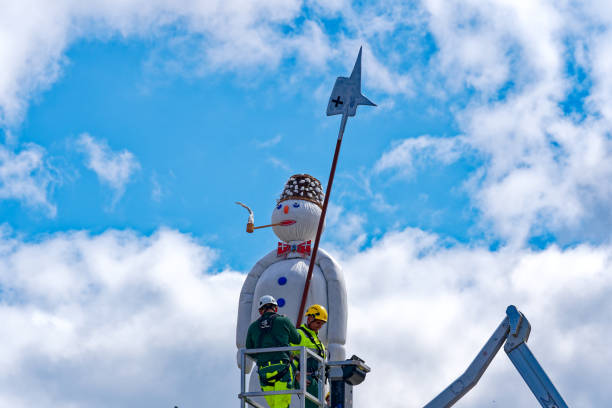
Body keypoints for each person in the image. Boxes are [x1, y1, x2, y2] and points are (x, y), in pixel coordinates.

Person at [246, 295, 301, 408]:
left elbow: (249, 350)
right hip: (282, 369)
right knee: (281, 405)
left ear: (261, 311)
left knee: (274, 406)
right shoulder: (283, 321)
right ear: (275, 308)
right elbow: (297, 339)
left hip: (264, 372)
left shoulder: (253, 327)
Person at [291, 304, 328, 408]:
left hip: (318, 381)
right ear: (310, 318)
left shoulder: (317, 340)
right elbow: (286, 354)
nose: (320, 326)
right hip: (307, 379)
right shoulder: (299, 334)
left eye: (322, 323)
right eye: (318, 322)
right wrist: (296, 374)